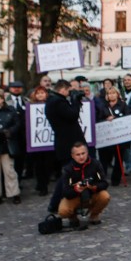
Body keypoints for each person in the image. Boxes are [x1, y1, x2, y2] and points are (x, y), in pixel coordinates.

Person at [45, 79, 86, 213]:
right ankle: (58, 203)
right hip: (68, 144)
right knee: (67, 176)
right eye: (69, 90)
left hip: (66, 143)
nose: (70, 93)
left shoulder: (55, 101)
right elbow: (72, 115)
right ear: (62, 89)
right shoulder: (57, 102)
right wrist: (75, 101)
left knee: (70, 176)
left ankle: (60, 203)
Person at [58, 142, 111, 226]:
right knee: (63, 211)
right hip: (75, 197)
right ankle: (73, 217)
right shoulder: (67, 169)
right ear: (72, 156)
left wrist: (94, 187)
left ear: (87, 152)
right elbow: (65, 192)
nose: (81, 157)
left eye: (83, 153)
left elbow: (104, 183)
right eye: (78, 154)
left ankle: (94, 215)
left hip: (92, 194)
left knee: (105, 196)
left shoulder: (95, 164)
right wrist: (76, 188)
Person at [97, 86, 129, 186]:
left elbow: (128, 118)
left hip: (119, 136)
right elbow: (98, 120)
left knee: (119, 159)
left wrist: (117, 119)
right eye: (109, 93)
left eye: (113, 93)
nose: (111, 95)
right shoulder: (103, 106)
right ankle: (102, 178)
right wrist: (106, 120)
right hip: (107, 137)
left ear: (117, 94)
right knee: (104, 159)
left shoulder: (123, 105)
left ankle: (116, 179)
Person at [28, 85, 52, 196]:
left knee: (48, 164)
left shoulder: (52, 104)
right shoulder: (31, 107)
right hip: (36, 140)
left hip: (49, 140)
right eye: (38, 93)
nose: (40, 95)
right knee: (38, 165)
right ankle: (41, 185)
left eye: (42, 93)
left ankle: (45, 182)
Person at [5, 81, 29, 181]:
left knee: (21, 159)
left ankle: (18, 180)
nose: (16, 89)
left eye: (19, 87)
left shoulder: (26, 101)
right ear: (10, 89)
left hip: (23, 135)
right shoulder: (6, 101)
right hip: (11, 134)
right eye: (14, 87)